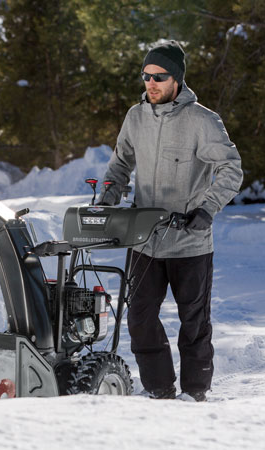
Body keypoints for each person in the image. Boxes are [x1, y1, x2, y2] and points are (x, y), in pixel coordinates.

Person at [96, 40, 243, 401]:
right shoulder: (136, 117)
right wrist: (108, 195)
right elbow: (120, 164)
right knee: (139, 319)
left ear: (176, 79)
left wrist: (206, 210)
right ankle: (159, 390)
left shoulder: (202, 121)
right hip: (144, 238)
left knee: (193, 323)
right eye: (146, 75)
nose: (151, 83)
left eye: (159, 76)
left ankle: (195, 392)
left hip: (189, 241)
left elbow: (231, 169)